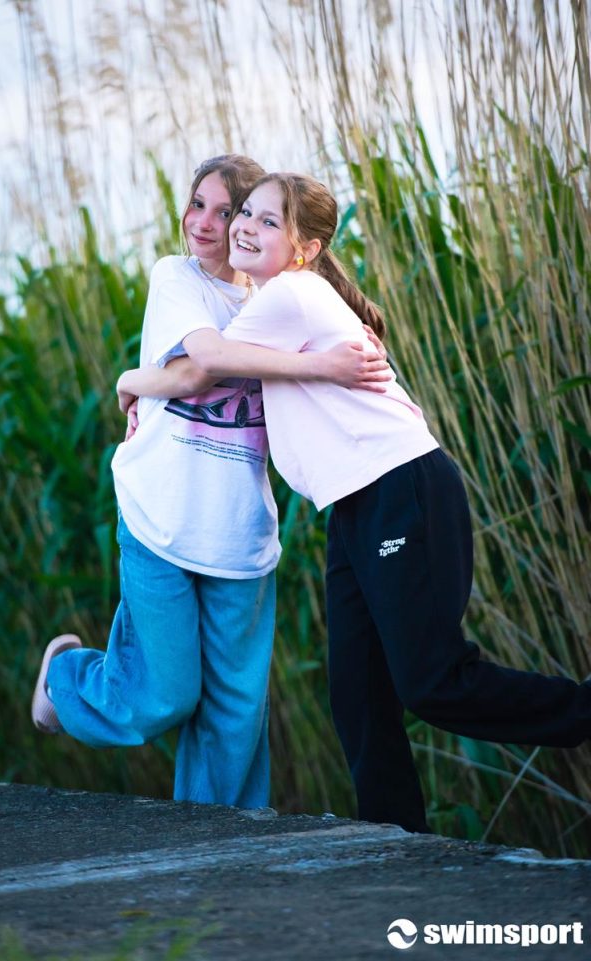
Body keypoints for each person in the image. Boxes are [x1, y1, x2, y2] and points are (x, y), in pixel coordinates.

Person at [124, 171, 591, 833]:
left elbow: (202, 367)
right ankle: (395, 838)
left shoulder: (289, 294)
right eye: (245, 214)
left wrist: (128, 380)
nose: (244, 228)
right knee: (358, 693)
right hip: (355, 504)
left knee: (432, 682)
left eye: (266, 221)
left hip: (399, 486)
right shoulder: (283, 296)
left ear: (305, 248)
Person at [31, 155, 390, 811]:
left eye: (228, 211)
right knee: (163, 696)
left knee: (236, 718)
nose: (205, 222)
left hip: (240, 533)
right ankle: (65, 679)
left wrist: (348, 347)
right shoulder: (178, 278)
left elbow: (350, 350)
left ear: (253, 223)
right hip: (160, 516)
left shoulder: (277, 296)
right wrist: (133, 379)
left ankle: (224, 849)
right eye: (198, 203)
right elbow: (203, 365)